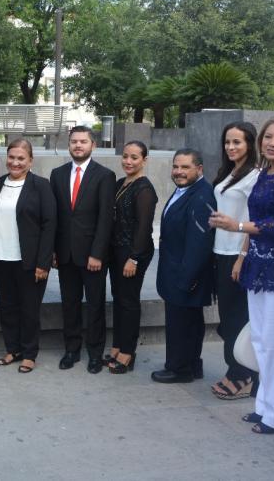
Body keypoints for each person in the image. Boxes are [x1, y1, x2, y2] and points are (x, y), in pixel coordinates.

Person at [210, 115, 274, 434]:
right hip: (256, 265)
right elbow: (258, 220)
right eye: (268, 137)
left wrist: (237, 226)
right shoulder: (266, 173)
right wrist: (243, 255)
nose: (271, 143)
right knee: (260, 341)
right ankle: (264, 406)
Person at [50, 125, 116, 374]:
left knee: (96, 305)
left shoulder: (104, 176)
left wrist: (97, 253)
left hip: (92, 256)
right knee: (70, 304)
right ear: (69, 145)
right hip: (65, 254)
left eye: (83, 142)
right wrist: (54, 251)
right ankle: (71, 350)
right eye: (74, 141)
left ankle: (95, 354)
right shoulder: (57, 174)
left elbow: (105, 219)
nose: (78, 145)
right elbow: (55, 217)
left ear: (93, 145)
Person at [0, 139, 56, 374]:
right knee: (7, 307)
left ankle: (29, 354)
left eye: (21, 158)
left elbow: (50, 225)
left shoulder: (41, 186)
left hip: (29, 261)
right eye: (11, 157)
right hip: (1, 258)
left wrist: (43, 262)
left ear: (30, 161)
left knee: (29, 309)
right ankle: (13, 349)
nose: (15, 162)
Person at [151, 149, 216, 383]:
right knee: (186, 322)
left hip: (186, 274)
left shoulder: (201, 195)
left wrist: (187, 277)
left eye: (185, 167)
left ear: (199, 169)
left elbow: (199, 242)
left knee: (183, 324)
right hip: (177, 271)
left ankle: (180, 369)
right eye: (176, 166)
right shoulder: (185, 190)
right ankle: (190, 365)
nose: (179, 172)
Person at [207, 122, 260, 399]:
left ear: (250, 144)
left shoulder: (255, 177)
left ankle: (243, 376)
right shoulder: (229, 174)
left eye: (237, 142)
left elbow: (254, 221)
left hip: (237, 255)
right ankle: (236, 371)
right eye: (227, 142)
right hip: (220, 251)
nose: (231, 147)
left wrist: (241, 258)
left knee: (237, 318)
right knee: (228, 316)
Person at [107, 141, 157, 374]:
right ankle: (118, 344)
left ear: (144, 161)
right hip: (118, 250)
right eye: (126, 156)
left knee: (128, 301)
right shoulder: (120, 183)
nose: (128, 161)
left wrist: (134, 258)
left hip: (133, 253)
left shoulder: (144, 189)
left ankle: (128, 351)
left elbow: (143, 228)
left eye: (134, 157)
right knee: (119, 298)